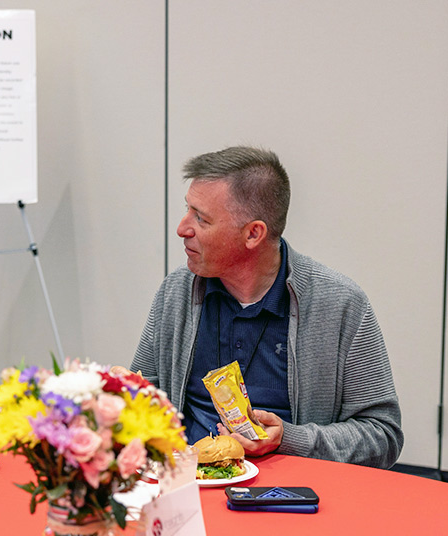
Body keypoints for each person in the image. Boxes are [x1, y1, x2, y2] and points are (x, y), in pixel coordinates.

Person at [129, 146, 403, 469]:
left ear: (253, 234)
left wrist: (290, 439)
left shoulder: (340, 305)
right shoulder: (176, 292)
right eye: (187, 210)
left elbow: (383, 435)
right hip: (189, 495)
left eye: (200, 218)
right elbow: (140, 402)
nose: (182, 228)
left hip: (295, 500)